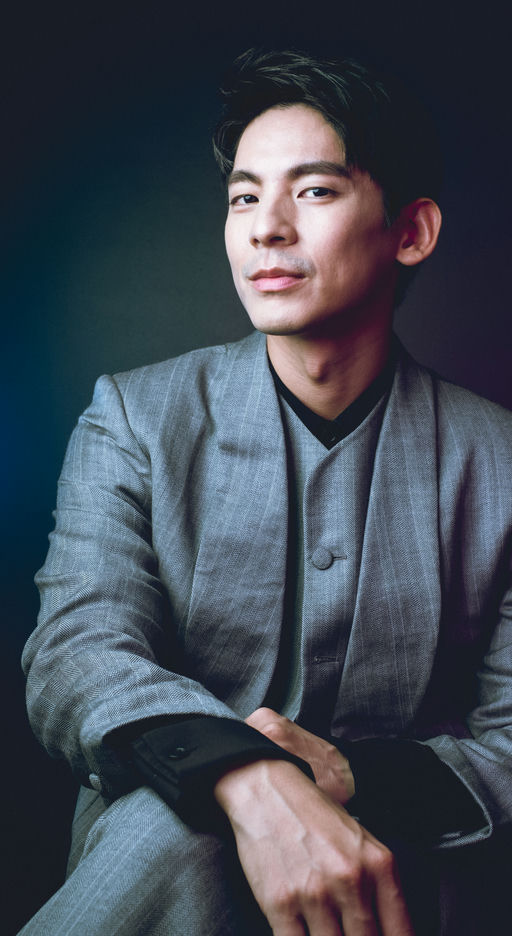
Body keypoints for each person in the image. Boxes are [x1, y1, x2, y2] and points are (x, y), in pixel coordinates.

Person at [20, 49, 512, 935]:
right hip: (165, 859)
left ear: (410, 232)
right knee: (177, 833)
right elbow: (76, 655)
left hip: (406, 875)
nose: (266, 229)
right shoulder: (135, 416)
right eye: (244, 197)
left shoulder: (500, 460)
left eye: (314, 191)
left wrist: (347, 778)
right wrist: (249, 777)